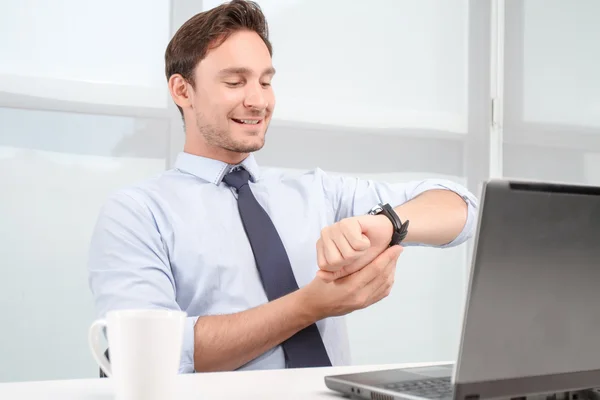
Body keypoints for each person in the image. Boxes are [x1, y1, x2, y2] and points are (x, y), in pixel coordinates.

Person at [87, 0, 479, 374]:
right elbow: (147, 355)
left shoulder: (317, 192)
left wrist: (387, 222)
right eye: (235, 81)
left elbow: (462, 209)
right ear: (182, 90)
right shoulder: (138, 212)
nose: (258, 101)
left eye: (265, 81)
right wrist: (309, 305)